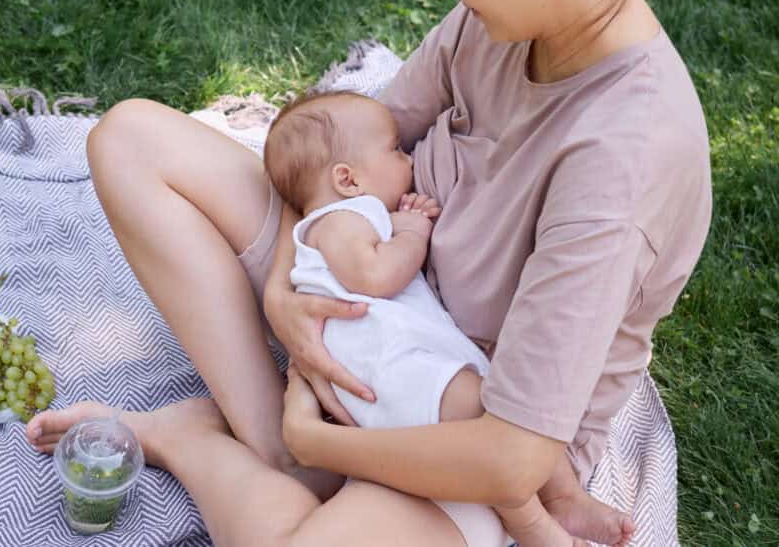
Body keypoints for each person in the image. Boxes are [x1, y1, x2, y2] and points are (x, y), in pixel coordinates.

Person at [26, 0, 712, 544]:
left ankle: (203, 441)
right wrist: (285, 291)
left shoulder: (624, 156)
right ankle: (274, 444)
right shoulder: (513, 19)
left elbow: (512, 456)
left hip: (460, 412)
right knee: (129, 140)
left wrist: (319, 439)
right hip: (368, 288)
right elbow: (341, 164)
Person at [260, 90, 633, 546]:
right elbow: (374, 276)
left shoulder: (351, 215)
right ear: (347, 179)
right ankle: (541, 520)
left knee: (495, 410)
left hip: (398, 364)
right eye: (396, 150)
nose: (410, 160)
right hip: (387, 369)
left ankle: (560, 500)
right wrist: (412, 234)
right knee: (493, 416)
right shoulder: (341, 219)